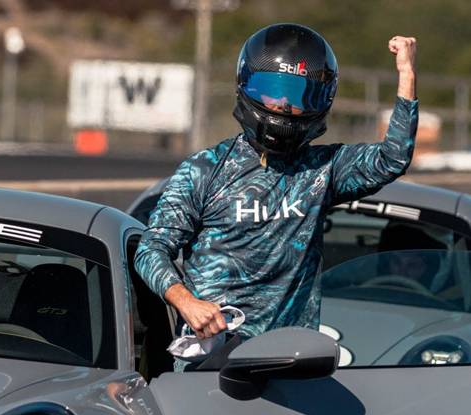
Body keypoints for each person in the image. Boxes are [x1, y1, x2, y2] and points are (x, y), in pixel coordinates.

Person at [134, 23, 418, 365]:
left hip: (292, 361)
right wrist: (186, 302)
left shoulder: (322, 169)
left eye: (297, 96)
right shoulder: (204, 170)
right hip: (212, 362)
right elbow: (151, 248)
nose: (283, 105)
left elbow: (391, 159)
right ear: (247, 85)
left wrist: (406, 74)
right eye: (272, 91)